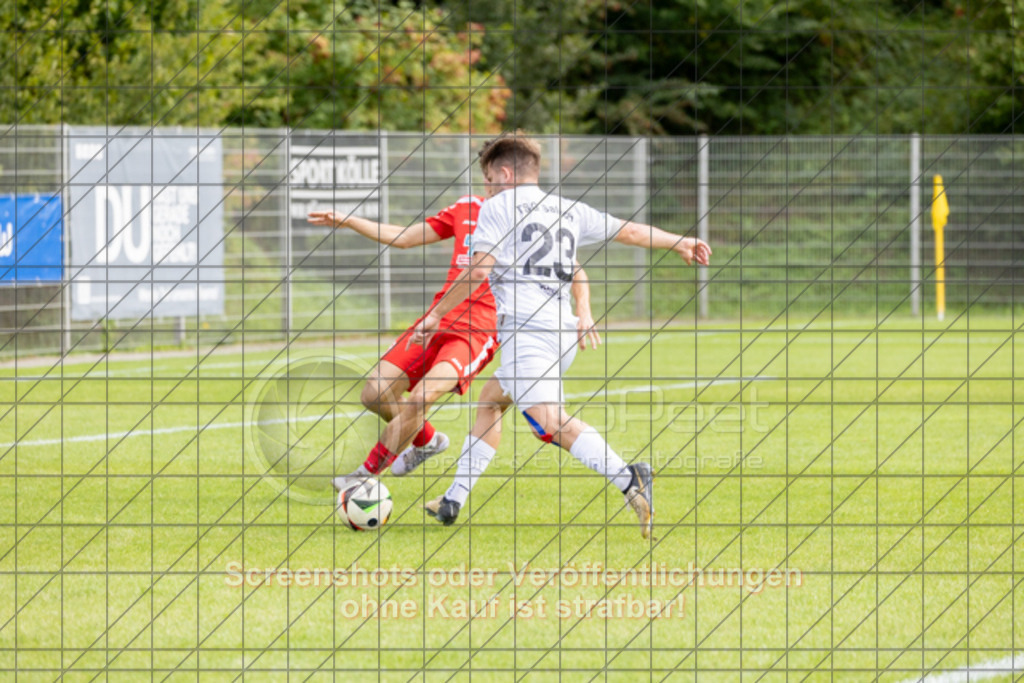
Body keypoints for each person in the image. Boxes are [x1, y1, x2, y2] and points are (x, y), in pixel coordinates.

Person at [410, 132, 711, 539]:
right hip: (561, 330)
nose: (486, 188)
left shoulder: (496, 208)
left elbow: (479, 271)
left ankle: (629, 477)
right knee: (491, 400)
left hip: (527, 333)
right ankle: (453, 500)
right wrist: (681, 241)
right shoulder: (568, 209)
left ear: (503, 172)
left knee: (550, 421)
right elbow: (632, 232)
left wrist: (436, 315)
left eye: (487, 179)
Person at [307, 197, 601, 486]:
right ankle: (428, 440)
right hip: (439, 316)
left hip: (479, 329)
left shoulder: (530, 216)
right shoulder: (465, 207)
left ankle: (362, 477)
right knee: (374, 393)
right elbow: (405, 237)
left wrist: (584, 312)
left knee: (422, 397)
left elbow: (575, 271)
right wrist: (350, 220)